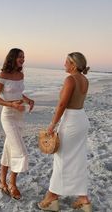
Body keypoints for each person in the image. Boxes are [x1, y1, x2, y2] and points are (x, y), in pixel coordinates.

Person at [38, 52, 92, 212]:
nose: (64, 64)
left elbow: (62, 105)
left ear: (73, 65)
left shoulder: (70, 79)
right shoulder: (85, 79)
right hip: (81, 119)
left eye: (66, 62)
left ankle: (51, 198)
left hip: (70, 122)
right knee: (77, 159)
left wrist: (52, 125)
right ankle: (84, 200)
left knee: (61, 159)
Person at [0, 48, 34, 200]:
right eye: (20, 57)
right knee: (20, 152)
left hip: (19, 116)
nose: (23, 59)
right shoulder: (3, 75)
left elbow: (18, 93)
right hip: (8, 116)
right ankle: (12, 184)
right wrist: (12, 105)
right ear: (12, 58)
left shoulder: (21, 75)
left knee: (8, 150)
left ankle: (2, 181)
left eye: (24, 57)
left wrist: (27, 99)